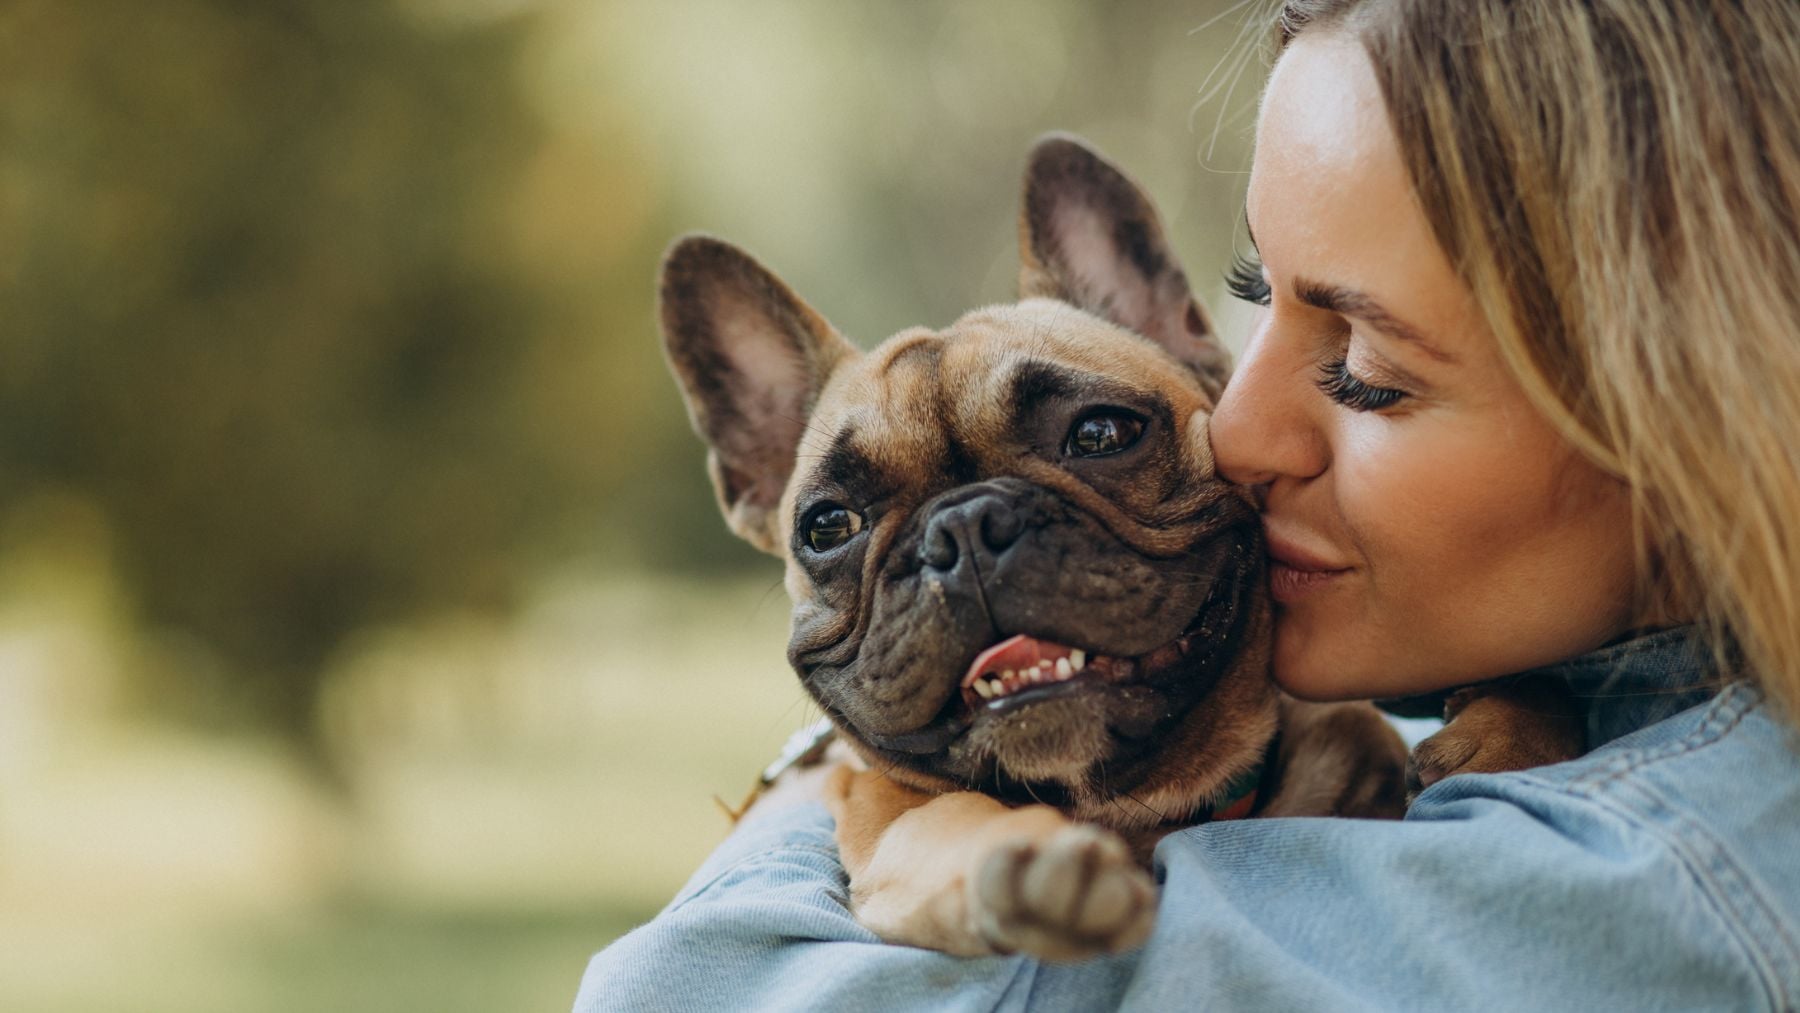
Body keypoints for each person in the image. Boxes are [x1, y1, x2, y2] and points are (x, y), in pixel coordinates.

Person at [577, 0, 1800, 1008]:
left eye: (1369, 369)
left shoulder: (1656, 876)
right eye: (1254, 295)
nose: (1241, 430)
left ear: (1684, 391)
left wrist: (826, 796)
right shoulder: (1500, 721)